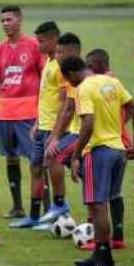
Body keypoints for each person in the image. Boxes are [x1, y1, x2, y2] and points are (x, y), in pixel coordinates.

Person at [61, 57, 134, 266]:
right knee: (104, 202)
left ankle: (105, 260)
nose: (71, 83)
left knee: (97, 205)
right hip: (117, 149)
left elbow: (87, 123)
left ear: (72, 72)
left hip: (98, 151)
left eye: (68, 78)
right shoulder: (110, 81)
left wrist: (76, 155)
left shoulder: (84, 88)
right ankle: (98, 255)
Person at [0, 5, 44, 220]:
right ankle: (17, 206)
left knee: (36, 162)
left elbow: (44, 79)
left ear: (20, 21)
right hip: (6, 112)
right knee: (10, 159)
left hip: (28, 112)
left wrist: (41, 112)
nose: (5, 23)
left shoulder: (33, 45)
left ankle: (45, 208)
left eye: (9, 19)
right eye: (3, 20)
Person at [12, 20, 59, 229]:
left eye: (41, 41)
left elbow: (65, 99)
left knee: (52, 167)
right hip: (43, 125)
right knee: (35, 167)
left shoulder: (58, 64)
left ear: (53, 39)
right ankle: (34, 215)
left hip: (54, 127)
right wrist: (38, 121)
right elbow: (46, 96)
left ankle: (57, 210)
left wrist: (56, 130)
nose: (37, 45)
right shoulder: (48, 61)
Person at [37, 32, 82, 228]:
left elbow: (67, 108)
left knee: (52, 155)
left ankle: (60, 204)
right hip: (75, 131)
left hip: (82, 133)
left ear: (73, 51)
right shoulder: (71, 73)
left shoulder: (76, 75)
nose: (58, 55)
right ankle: (59, 208)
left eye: (61, 52)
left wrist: (55, 135)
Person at [85, 49, 129, 249]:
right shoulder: (115, 82)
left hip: (102, 144)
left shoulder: (93, 84)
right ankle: (118, 237)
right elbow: (132, 108)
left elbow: (89, 119)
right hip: (119, 140)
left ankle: (99, 240)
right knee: (114, 192)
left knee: (98, 197)